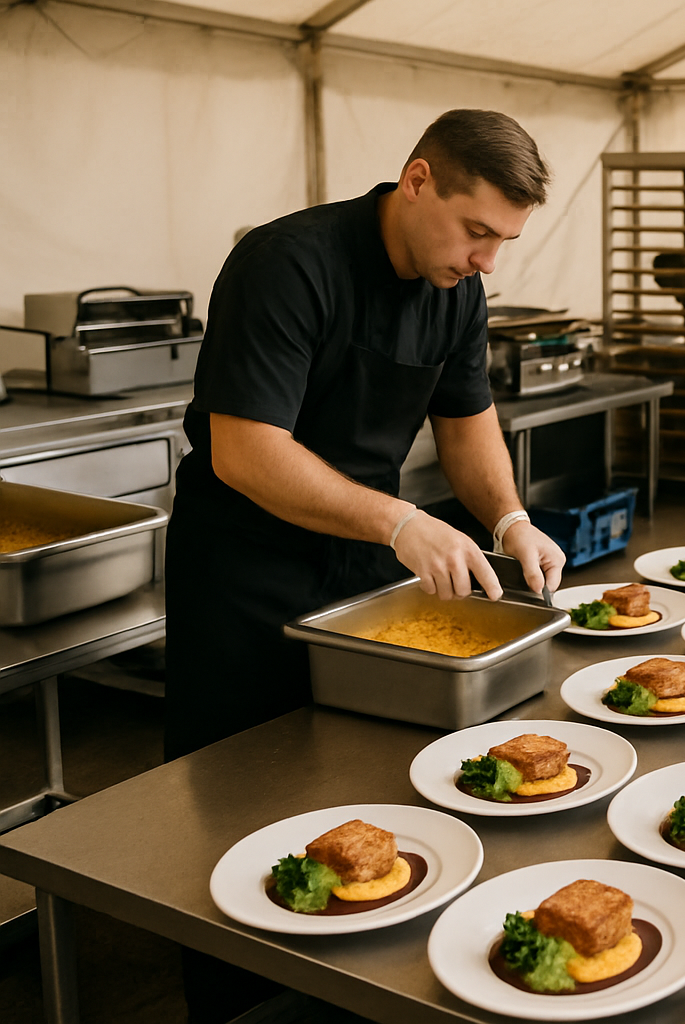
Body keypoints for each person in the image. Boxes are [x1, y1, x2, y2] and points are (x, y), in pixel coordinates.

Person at [164, 108, 566, 758]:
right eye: (477, 231)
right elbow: (244, 453)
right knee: (236, 783)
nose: (487, 261)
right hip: (246, 576)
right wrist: (402, 523)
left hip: (366, 563)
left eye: (504, 242)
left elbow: (467, 425)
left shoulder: (458, 291)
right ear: (417, 180)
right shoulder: (286, 265)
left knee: (360, 761)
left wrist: (510, 520)